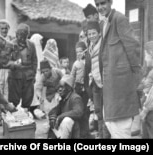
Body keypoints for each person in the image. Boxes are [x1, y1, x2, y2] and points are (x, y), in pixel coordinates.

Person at [94, 0, 141, 138]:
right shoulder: (104, 23)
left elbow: (133, 46)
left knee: (121, 127)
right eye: (97, 5)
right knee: (110, 124)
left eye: (103, 3)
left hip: (121, 85)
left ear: (110, 2)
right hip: (110, 86)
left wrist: (135, 75)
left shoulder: (119, 19)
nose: (100, 7)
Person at [86, 21, 110, 139]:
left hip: (105, 82)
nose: (91, 36)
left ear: (99, 33)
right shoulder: (89, 48)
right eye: (89, 34)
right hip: (94, 83)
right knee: (98, 111)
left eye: (93, 33)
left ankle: (106, 136)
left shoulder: (104, 46)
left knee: (106, 112)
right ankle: (101, 135)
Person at [7, 23, 37, 110]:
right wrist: (14, 64)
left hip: (28, 75)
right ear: (16, 34)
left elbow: (34, 60)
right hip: (15, 75)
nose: (22, 38)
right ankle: (13, 115)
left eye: (24, 36)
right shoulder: (11, 44)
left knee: (28, 97)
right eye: (20, 35)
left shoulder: (31, 45)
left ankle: (25, 115)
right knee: (13, 99)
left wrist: (34, 74)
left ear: (27, 35)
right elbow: (6, 60)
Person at [0, 19, 14, 127]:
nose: (4, 30)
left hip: (8, 69)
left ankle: (7, 116)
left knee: (7, 91)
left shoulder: (11, 41)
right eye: (2, 28)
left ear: (9, 29)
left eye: (6, 28)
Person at [48, 74, 84, 139]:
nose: (59, 90)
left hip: (77, 132)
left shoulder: (75, 98)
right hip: (67, 132)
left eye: (62, 87)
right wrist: (53, 116)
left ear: (69, 88)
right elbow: (54, 110)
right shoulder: (64, 98)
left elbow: (78, 112)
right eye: (59, 87)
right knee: (52, 118)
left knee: (67, 120)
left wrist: (60, 117)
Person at [30, 33, 45, 118]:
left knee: (37, 93)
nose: (42, 42)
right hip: (33, 74)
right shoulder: (32, 50)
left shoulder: (40, 51)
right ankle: (31, 111)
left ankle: (34, 111)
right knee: (33, 93)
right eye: (40, 40)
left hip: (39, 74)